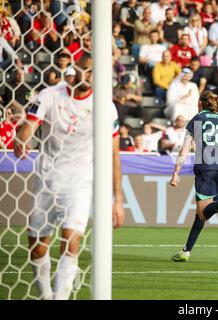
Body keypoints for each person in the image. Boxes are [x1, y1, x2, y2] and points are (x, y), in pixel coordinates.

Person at [13, 52, 125, 300]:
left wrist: (118, 199)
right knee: (37, 247)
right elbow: (29, 126)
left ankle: (60, 298)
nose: (87, 75)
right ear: (73, 70)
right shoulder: (50, 95)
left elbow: (114, 155)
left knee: (70, 241)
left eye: (92, 71)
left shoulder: (105, 107)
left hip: (79, 182)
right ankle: (45, 295)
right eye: (83, 69)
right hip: (47, 178)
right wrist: (22, 140)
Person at [169, 91, 218, 262]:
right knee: (201, 215)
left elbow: (184, 149)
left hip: (205, 168)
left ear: (200, 103)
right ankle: (186, 250)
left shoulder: (197, 120)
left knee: (203, 212)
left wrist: (176, 173)